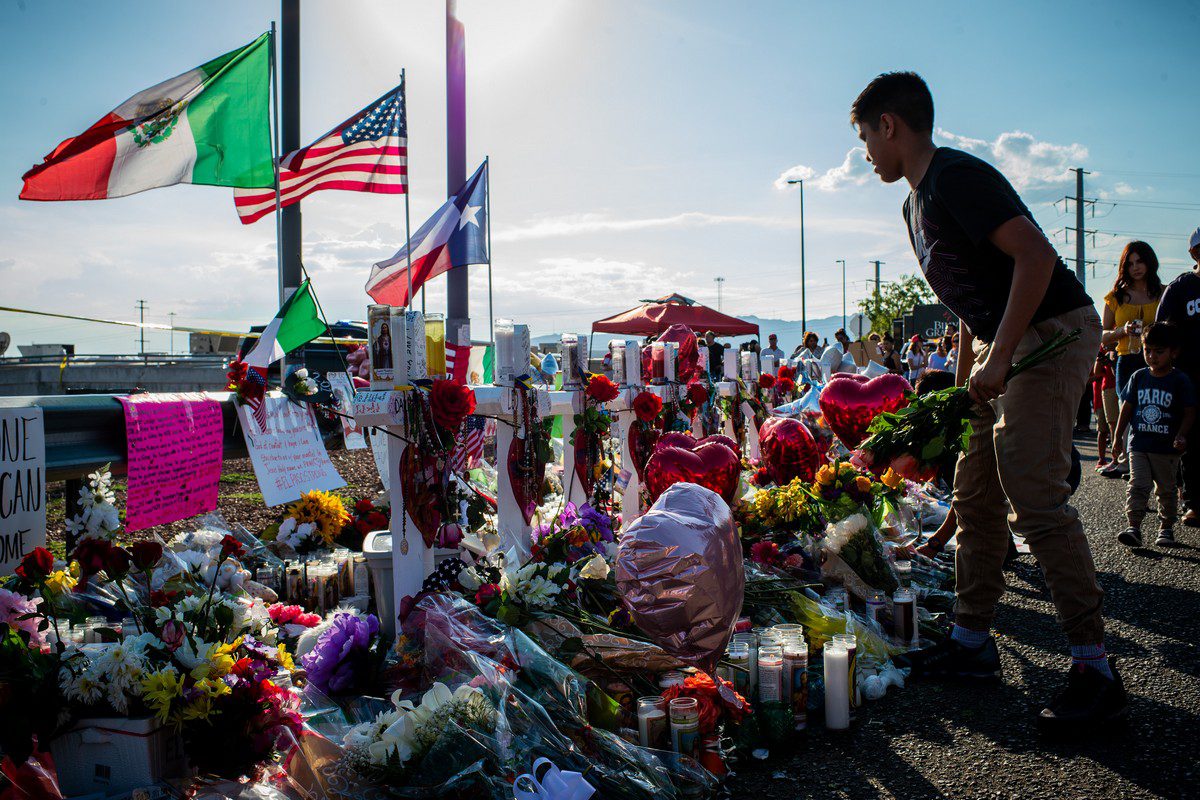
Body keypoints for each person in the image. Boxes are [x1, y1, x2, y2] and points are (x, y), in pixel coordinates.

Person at [852, 71, 1120, 726]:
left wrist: (1001, 358)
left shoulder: (955, 178)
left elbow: (1035, 257)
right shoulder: (913, 205)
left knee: (1030, 486)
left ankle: (1095, 668)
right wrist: (970, 376)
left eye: (864, 136)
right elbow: (971, 298)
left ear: (890, 125)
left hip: (1051, 333)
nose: (864, 153)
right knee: (972, 491)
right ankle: (971, 643)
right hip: (1002, 347)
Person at [1112, 323, 1195, 548]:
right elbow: (1126, 409)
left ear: (1173, 352)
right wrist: (1118, 437)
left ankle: (1166, 527)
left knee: (1166, 490)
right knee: (1137, 485)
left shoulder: (1180, 380)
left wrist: (1182, 435)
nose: (1152, 356)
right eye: (1148, 350)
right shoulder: (1138, 377)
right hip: (1139, 444)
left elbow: (1189, 412)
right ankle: (1134, 527)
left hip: (1167, 449)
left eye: (1159, 351)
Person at [1099, 242, 1164, 476]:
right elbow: (1102, 335)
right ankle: (1127, 461)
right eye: (1130, 263)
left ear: (1150, 262)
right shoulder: (1115, 297)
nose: (1136, 267)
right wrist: (1122, 331)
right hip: (1126, 359)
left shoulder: (1164, 292)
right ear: (1124, 267)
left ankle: (1159, 461)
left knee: (1158, 409)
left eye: (1140, 261)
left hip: (1159, 361)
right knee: (1126, 408)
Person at [1155, 227, 1200, 527]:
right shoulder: (1181, 287)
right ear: (1195, 253)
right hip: (1190, 378)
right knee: (1193, 441)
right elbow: (1161, 330)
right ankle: (1194, 502)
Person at [1091, 348, 1117, 471]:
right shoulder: (1103, 347)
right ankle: (1103, 458)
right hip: (1105, 390)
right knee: (1104, 428)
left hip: (1115, 389)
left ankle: (1116, 458)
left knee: (1115, 427)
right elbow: (1096, 372)